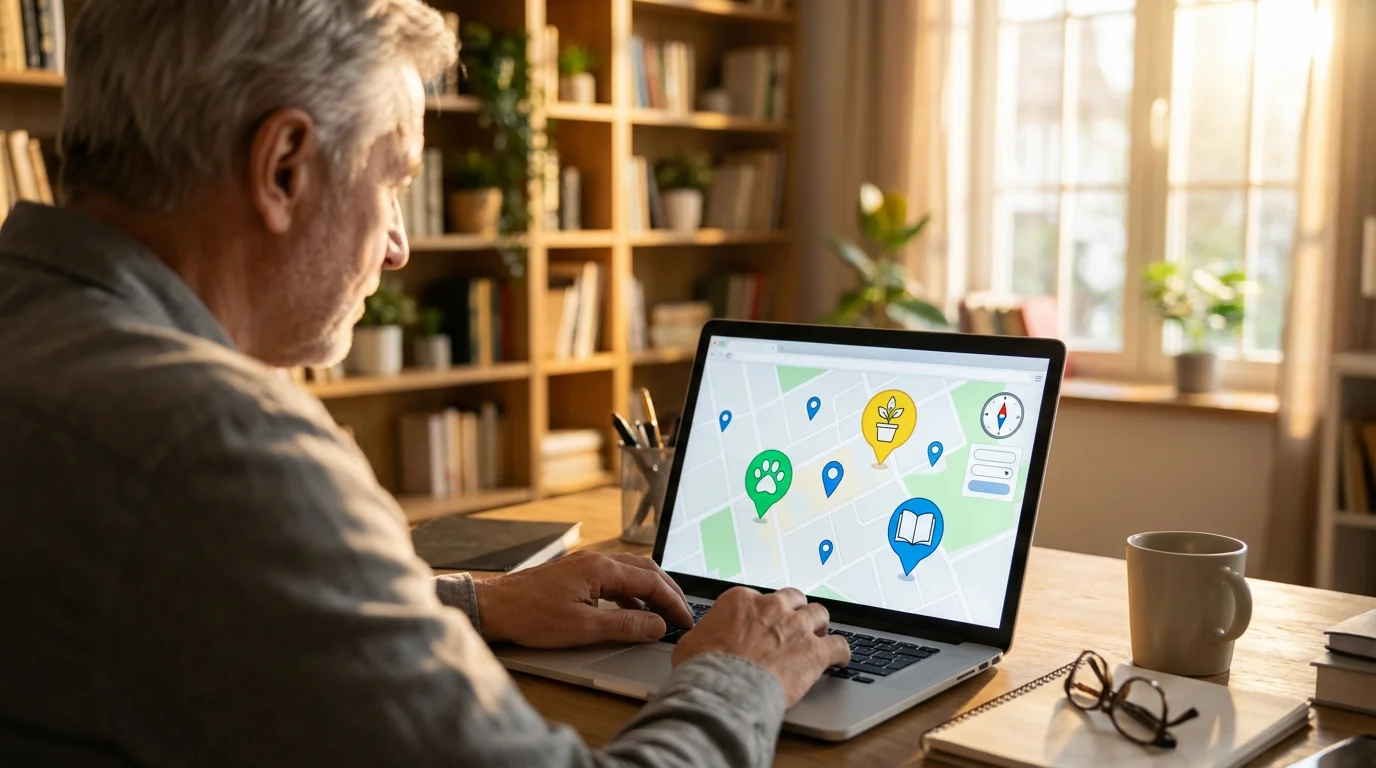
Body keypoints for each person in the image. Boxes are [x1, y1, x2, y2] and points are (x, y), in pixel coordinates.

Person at [0, 1, 850, 765]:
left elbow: (201, 598)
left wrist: (472, 601)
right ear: (285, 167)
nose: (399, 246)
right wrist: (742, 674)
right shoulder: (221, 447)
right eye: (395, 179)